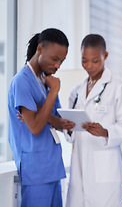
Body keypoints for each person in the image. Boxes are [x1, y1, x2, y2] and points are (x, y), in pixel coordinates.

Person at [8, 28, 74, 207]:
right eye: (55, 59)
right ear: (40, 50)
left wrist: (42, 111)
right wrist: (53, 92)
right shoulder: (22, 81)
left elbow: (58, 121)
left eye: (62, 60)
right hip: (35, 169)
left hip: (52, 166)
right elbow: (36, 128)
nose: (58, 65)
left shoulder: (46, 81)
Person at [64, 34, 122, 207]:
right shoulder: (77, 90)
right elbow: (69, 132)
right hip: (79, 164)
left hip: (105, 168)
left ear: (105, 56)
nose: (89, 66)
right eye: (84, 61)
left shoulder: (118, 87)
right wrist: (69, 128)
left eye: (95, 61)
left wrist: (105, 132)